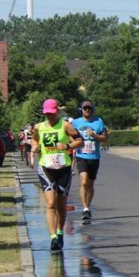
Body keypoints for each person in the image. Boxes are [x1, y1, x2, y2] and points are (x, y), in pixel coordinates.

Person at [31, 99, 83, 252]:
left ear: (57, 112)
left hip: (63, 168)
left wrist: (67, 146)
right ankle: (53, 237)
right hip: (46, 167)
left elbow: (80, 141)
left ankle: (60, 232)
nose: (50, 116)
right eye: (47, 114)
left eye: (52, 114)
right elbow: (34, 141)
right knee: (50, 203)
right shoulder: (38, 127)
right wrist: (36, 148)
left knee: (61, 204)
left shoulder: (65, 125)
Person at [71, 100, 109, 223]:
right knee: (84, 182)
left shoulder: (99, 121)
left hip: (94, 157)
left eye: (89, 108)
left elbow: (104, 138)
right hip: (82, 156)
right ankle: (85, 208)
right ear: (81, 110)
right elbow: (70, 135)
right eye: (85, 108)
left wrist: (94, 135)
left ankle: (88, 205)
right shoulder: (76, 123)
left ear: (92, 109)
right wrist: (74, 143)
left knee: (90, 184)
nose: (87, 110)